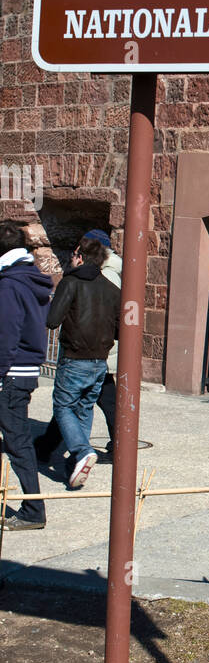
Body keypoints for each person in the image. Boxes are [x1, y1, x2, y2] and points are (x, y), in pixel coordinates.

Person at [36, 229, 121, 464]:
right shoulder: (111, 287)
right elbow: (120, 327)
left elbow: (52, 320)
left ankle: (82, 452)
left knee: (64, 407)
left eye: (74, 253)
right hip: (100, 359)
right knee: (84, 409)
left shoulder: (71, 282)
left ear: (81, 256)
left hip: (75, 357)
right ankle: (78, 464)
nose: (71, 258)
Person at [0, 221, 53, 530]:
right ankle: (33, 507)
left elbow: (6, 334)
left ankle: (33, 509)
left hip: (10, 373)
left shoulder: (9, 284)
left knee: (18, 443)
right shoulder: (32, 279)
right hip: (25, 370)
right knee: (18, 441)